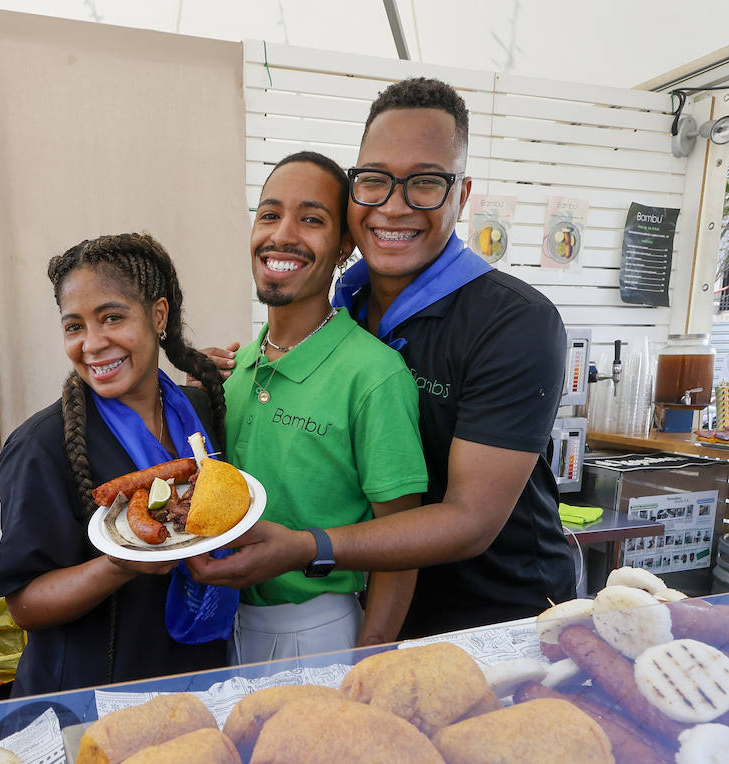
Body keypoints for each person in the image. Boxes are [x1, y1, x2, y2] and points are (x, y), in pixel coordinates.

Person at [191, 77, 577, 636]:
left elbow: (470, 520)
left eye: (424, 183)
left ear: (462, 195)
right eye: (374, 181)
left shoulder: (513, 322)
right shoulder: (344, 306)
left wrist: (307, 549)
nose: (394, 207)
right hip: (366, 608)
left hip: (498, 616)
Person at [0, 233, 232, 696]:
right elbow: (24, 606)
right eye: (74, 326)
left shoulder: (199, 410)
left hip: (197, 676)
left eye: (112, 318)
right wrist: (122, 564)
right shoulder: (40, 446)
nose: (92, 344)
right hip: (90, 698)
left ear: (158, 316)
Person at [224, 150, 427, 661]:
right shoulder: (235, 370)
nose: (282, 234)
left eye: (311, 219)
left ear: (342, 248)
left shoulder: (374, 374)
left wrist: (369, 660)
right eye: (269, 215)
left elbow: (403, 545)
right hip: (219, 624)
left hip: (315, 633)